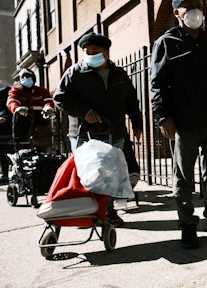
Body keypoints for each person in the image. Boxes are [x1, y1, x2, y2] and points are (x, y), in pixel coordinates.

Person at [150, 0, 207, 249]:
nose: (196, 10)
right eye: (188, 6)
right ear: (177, 13)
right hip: (184, 122)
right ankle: (187, 224)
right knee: (184, 177)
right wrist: (163, 117)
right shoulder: (166, 43)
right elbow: (157, 84)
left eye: (199, 4)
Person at [53, 32, 143, 227]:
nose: (91, 55)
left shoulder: (120, 74)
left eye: (96, 52)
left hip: (115, 131)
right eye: (87, 52)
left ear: (106, 52)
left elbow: (131, 101)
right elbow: (60, 99)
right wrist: (85, 112)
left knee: (110, 174)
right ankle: (85, 213)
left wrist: (137, 123)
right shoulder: (75, 73)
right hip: (84, 133)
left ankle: (108, 211)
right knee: (88, 174)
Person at [7, 68, 56, 153]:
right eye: (23, 76)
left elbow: (48, 100)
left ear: (33, 77)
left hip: (40, 123)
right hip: (22, 124)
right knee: (23, 148)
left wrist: (48, 108)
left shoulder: (41, 91)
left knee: (43, 146)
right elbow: (12, 101)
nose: (26, 78)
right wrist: (17, 108)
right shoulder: (16, 91)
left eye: (28, 76)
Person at [0, 86, 12, 182]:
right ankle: (4, 174)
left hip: (8, 136)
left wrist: (5, 120)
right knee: (1, 156)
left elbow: (10, 118)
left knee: (10, 155)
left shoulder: (8, 107)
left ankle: (12, 173)